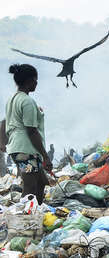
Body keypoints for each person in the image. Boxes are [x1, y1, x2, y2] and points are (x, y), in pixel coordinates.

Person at [5, 64, 52, 204]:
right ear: (29, 81)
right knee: (30, 186)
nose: (36, 83)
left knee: (42, 182)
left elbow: (10, 122)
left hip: (19, 148)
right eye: (35, 80)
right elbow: (31, 131)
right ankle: (26, 218)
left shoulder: (13, 99)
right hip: (26, 150)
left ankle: (36, 211)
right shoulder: (27, 101)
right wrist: (45, 156)